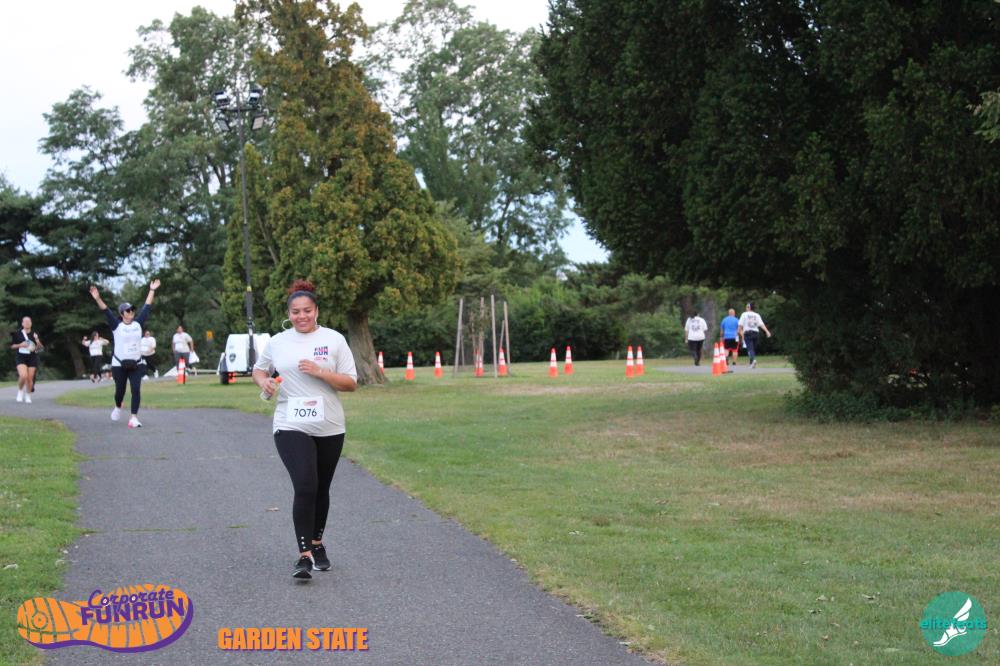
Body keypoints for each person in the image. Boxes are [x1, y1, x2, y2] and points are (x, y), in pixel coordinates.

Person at [253, 280, 357, 580]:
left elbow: (351, 383)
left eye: (307, 311)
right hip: (290, 423)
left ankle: (317, 543)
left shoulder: (334, 339)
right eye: (296, 312)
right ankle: (304, 555)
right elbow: (259, 369)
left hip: (329, 425)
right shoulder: (278, 342)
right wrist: (264, 382)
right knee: (306, 484)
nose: (302, 316)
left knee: (321, 488)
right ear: (288, 314)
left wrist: (321, 372)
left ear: (316, 311)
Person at [88, 279, 160, 427]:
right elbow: (105, 310)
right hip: (119, 364)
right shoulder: (117, 326)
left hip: (136, 364)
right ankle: (118, 406)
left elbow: (147, 306)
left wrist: (152, 290)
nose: (131, 312)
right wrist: (97, 298)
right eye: (128, 310)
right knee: (120, 391)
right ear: (122, 314)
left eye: (132, 310)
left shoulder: (138, 324)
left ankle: (133, 417)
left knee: (136, 389)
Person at [10, 316, 44, 403]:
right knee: (23, 376)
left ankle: (28, 395)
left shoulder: (35, 333)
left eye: (29, 322)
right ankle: (20, 391)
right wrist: (20, 345)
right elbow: (12, 346)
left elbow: (40, 348)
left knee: (30, 378)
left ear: (31, 323)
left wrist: (37, 340)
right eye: (25, 322)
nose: (27, 323)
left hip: (32, 357)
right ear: (22, 323)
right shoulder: (17, 333)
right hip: (21, 356)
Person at [737, 302, 772, 369]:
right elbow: (761, 324)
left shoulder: (744, 314)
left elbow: (740, 325)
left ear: (749, 307)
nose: (746, 308)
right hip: (756, 333)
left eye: (747, 307)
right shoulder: (757, 315)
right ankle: (751, 364)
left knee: (750, 349)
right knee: (753, 349)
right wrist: (767, 331)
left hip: (747, 333)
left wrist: (739, 332)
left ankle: (753, 360)